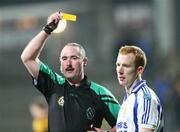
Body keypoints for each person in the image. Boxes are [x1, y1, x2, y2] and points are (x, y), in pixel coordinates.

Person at [21, 12, 120, 132]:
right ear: (60, 63)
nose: (68, 63)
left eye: (74, 58)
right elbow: (27, 57)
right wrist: (48, 29)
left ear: (84, 61)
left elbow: (126, 123)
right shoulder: (54, 83)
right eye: (64, 59)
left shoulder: (100, 93)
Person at [115, 45, 163, 132]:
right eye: (118, 65)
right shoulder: (129, 98)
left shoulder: (145, 98)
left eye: (126, 66)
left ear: (139, 70)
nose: (120, 70)